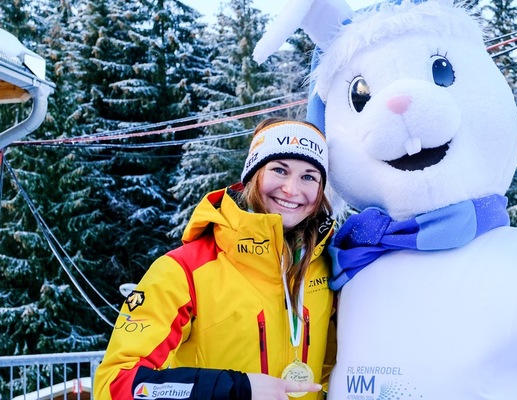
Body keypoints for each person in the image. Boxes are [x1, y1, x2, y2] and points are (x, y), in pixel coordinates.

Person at [94, 118, 337, 400]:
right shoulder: (184, 270)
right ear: (253, 175)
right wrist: (236, 389)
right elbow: (115, 385)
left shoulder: (330, 266)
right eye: (279, 170)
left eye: (309, 177)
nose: (291, 189)